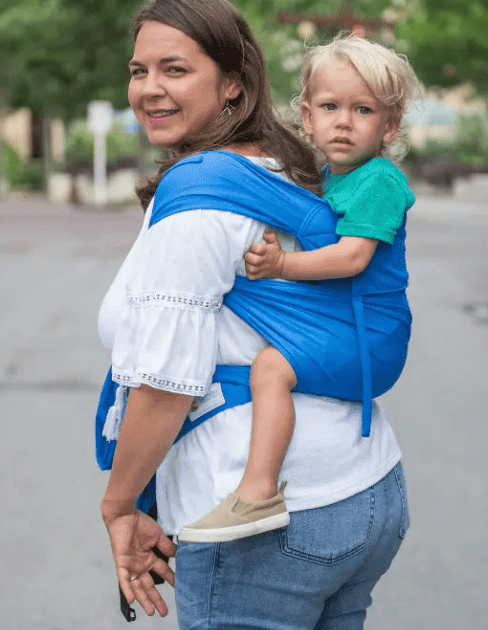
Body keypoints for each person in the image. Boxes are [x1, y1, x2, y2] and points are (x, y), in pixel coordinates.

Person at [98, 0, 409, 630]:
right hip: (364, 491)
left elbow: (164, 385)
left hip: (265, 521)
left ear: (234, 84)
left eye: (176, 69)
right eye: (139, 70)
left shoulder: (198, 202)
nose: (150, 88)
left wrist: (119, 505)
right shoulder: (287, 168)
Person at [176, 34, 416, 543]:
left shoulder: (379, 180)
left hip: (371, 335)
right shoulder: (329, 177)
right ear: (307, 116)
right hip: (348, 322)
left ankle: (258, 492)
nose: (344, 122)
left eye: (363, 110)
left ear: (389, 126)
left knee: (270, 368)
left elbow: (351, 257)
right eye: (330, 107)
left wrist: (282, 264)